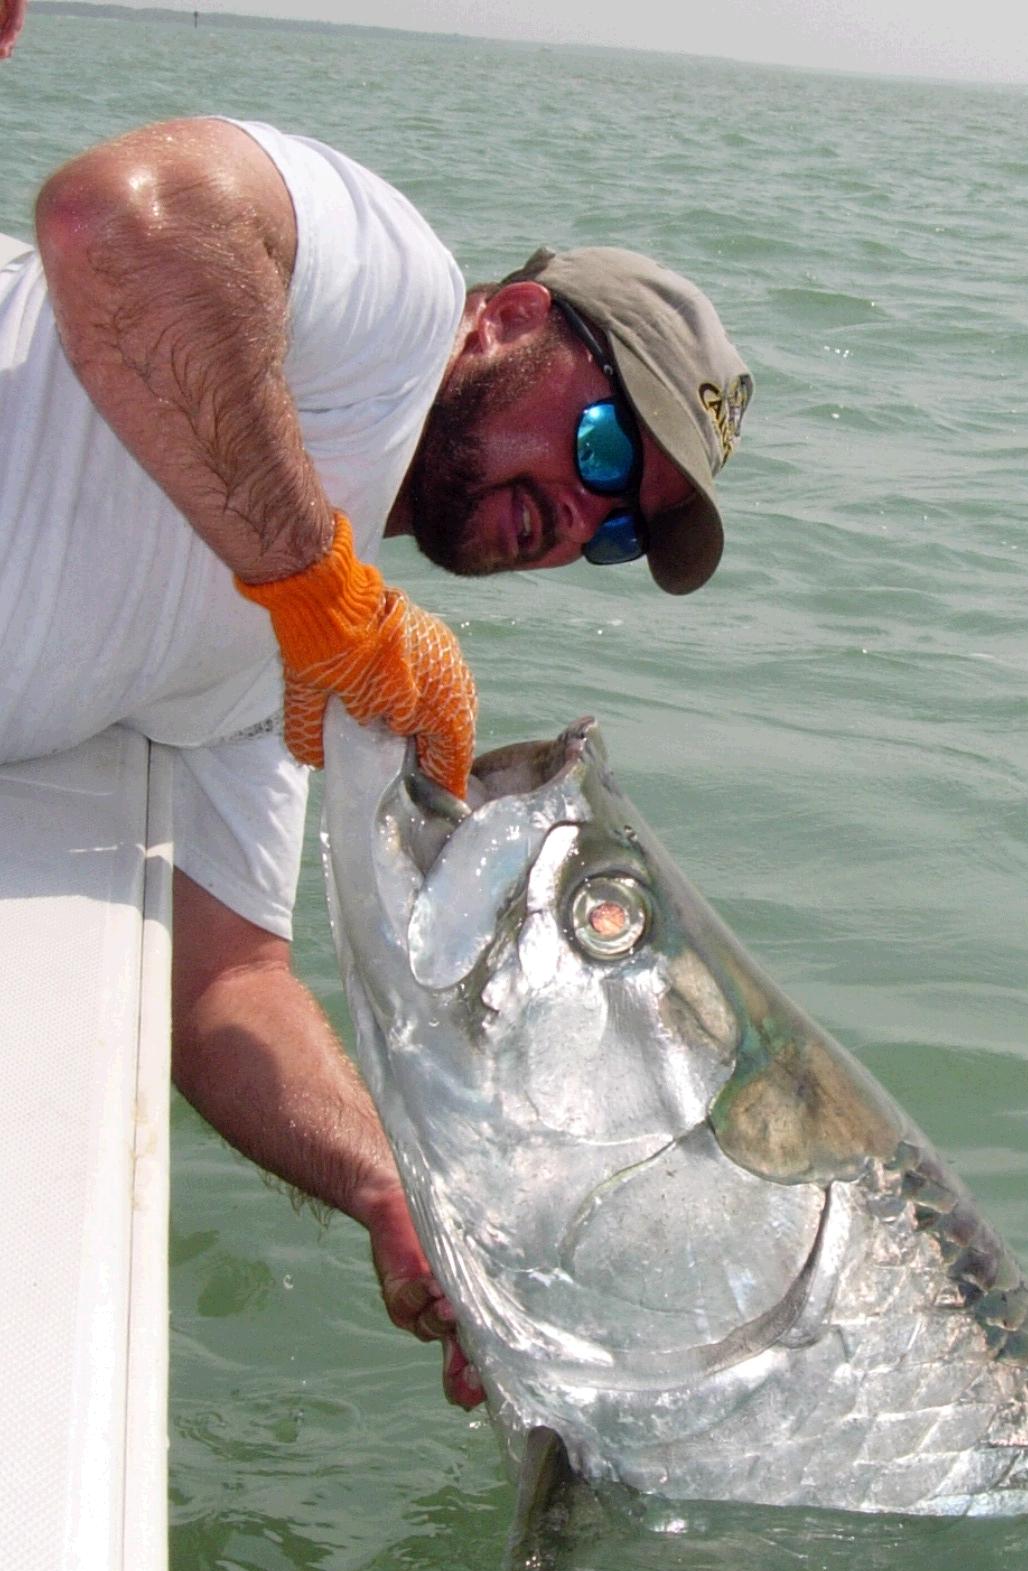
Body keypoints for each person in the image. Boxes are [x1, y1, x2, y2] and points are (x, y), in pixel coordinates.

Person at [0, 116, 752, 1406]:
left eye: (623, 530)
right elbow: (115, 218)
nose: (584, 515)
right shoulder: (390, 303)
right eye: (607, 448)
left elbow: (226, 987)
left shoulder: (283, 676)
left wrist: (389, 1193)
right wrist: (315, 591)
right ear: (506, 318)